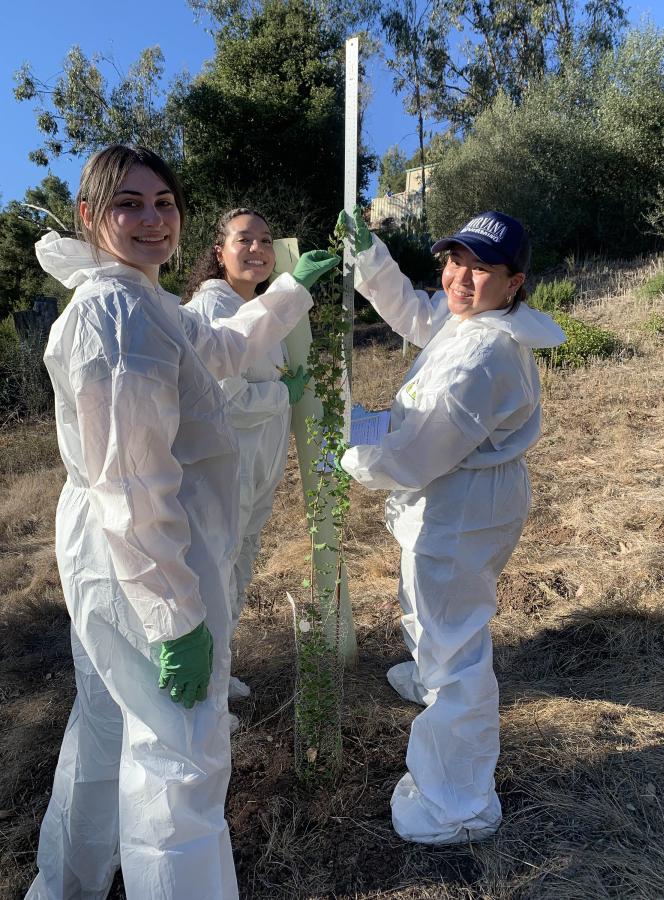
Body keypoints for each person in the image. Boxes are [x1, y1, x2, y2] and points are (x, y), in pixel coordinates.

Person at [25, 144, 338, 900]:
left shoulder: (146, 304)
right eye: (127, 203)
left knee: (107, 725)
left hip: (120, 555)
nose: (150, 218)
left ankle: (66, 884)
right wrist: (174, 617)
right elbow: (132, 486)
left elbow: (224, 347)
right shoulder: (114, 314)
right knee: (182, 759)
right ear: (89, 216)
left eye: (163, 203)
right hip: (146, 557)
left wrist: (291, 289)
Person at [339, 208, 565, 845]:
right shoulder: (469, 321)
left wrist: (344, 433)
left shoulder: (485, 355)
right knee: (431, 604)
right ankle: (427, 669)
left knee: (457, 647)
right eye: (454, 259)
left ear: (514, 281)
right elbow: (418, 313)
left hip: (460, 506)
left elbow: (410, 453)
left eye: (480, 267)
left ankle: (457, 802)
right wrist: (370, 256)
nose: (459, 277)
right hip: (461, 496)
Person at [183, 209, 307, 719]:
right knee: (214, 573)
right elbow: (221, 398)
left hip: (257, 472)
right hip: (221, 471)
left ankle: (219, 667)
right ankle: (204, 703)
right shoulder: (209, 309)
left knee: (239, 568)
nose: (256, 248)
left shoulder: (261, 307)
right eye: (243, 240)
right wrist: (281, 394)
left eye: (265, 240)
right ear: (219, 253)